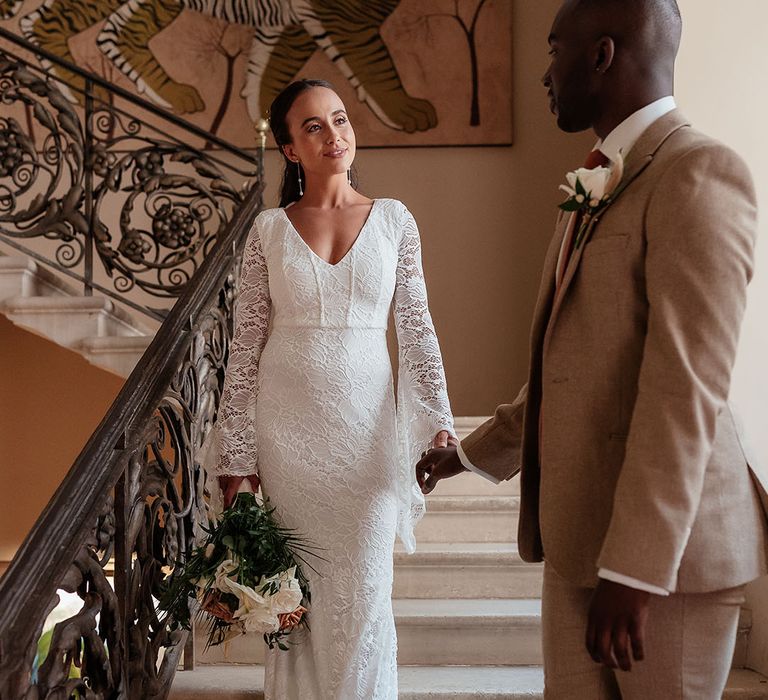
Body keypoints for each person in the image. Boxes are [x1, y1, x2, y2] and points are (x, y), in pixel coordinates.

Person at [416, 0, 768, 697]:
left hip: (669, 566)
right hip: (579, 550)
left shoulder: (698, 171)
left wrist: (636, 570)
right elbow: (569, 367)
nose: (546, 74)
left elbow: (685, 387)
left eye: (555, 50)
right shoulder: (594, 178)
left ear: (601, 55)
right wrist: (466, 454)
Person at [212, 79, 455, 700]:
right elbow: (244, 351)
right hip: (287, 438)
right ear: (290, 148)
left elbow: (418, 329)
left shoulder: (396, 220)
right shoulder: (268, 231)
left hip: (365, 442)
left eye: (340, 120)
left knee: (364, 602)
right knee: (295, 610)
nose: (334, 135)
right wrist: (238, 464)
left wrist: (437, 426)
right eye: (314, 127)